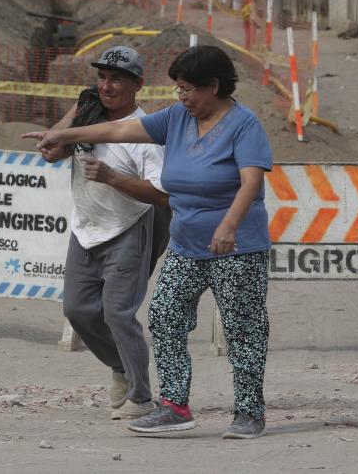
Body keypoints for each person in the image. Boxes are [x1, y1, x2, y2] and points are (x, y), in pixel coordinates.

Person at [24, 45, 273, 439]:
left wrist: (228, 226)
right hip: (186, 244)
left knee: (243, 329)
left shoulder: (244, 125)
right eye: (178, 89)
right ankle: (173, 406)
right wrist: (65, 133)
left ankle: (249, 413)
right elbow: (119, 129)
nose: (182, 97)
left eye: (188, 89)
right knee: (164, 316)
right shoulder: (177, 118)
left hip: (237, 246)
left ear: (214, 86)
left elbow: (252, 181)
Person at [38, 45, 170, 422]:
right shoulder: (89, 115)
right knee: (77, 309)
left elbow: (161, 194)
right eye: (102, 77)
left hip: (130, 228)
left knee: (118, 313)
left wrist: (112, 177)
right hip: (86, 228)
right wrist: (74, 114)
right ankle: (121, 367)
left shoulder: (146, 133)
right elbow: (52, 151)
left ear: (137, 84)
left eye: (116, 79)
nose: (107, 85)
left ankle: (142, 397)